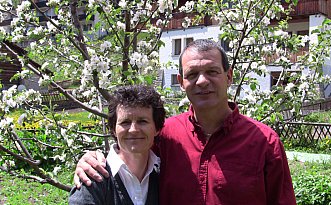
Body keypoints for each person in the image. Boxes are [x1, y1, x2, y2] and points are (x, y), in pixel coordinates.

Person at [74, 39, 297, 204]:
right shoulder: (165, 136)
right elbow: (130, 151)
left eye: (212, 71)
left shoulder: (264, 142)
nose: (202, 81)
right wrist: (91, 159)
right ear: (181, 82)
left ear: (229, 76)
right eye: (192, 74)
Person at [69, 85, 165, 205]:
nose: (133, 130)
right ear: (114, 129)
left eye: (142, 121)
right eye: (125, 122)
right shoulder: (93, 178)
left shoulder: (164, 175)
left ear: (157, 128)